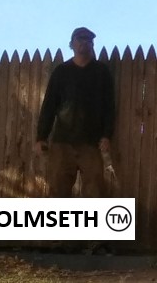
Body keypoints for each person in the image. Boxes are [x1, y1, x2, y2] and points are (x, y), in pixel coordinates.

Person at [36, 27, 115, 199]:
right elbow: (49, 105)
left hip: (91, 144)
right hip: (62, 143)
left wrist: (107, 135)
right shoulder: (61, 72)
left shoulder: (101, 72)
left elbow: (109, 106)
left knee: (94, 192)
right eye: (80, 39)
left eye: (88, 40)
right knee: (58, 192)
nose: (84, 42)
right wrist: (41, 136)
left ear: (92, 44)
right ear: (71, 44)